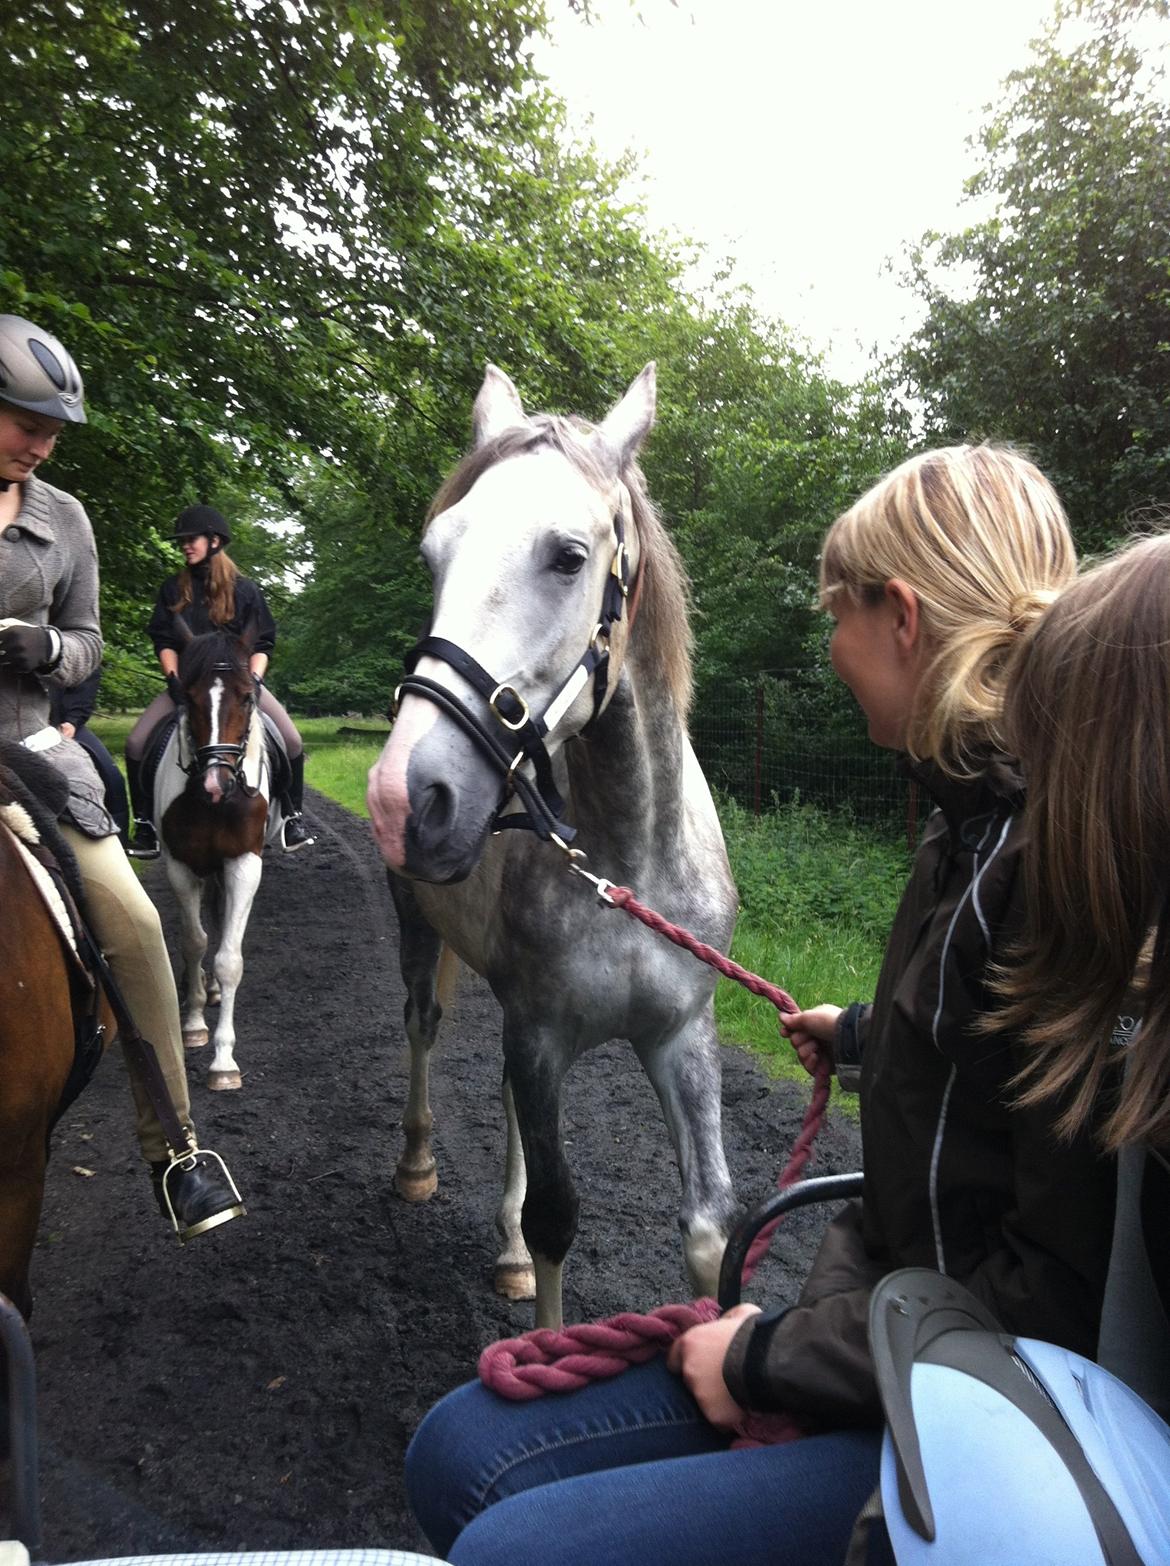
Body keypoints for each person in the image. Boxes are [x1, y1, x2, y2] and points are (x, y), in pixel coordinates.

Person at [402, 445, 1120, 1566]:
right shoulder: (961, 829)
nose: (829, 649)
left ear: (907, 621)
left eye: (838, 616)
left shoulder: (1050, 870)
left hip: (987, 1418)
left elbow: (1051, 1298)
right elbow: (1003, 1067)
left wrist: (764, 1361)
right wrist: (872, 1040)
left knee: (508, 1545)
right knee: (453, 1448)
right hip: (895, 1337)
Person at [0, 312, 244, 1240]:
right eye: (26, 419)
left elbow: (91, 640)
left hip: (26, 754)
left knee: (137, 921)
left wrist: (48, 646)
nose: (43, 440)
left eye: (52, 428)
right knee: (150, 740)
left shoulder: (65, 519)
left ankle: (177, 1147)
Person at [124, 503, 314, 856]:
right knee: (136, 744)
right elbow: (164, 640)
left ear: (214, 541)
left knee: (291, 740)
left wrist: (254, 681)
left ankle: (292, 816)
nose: (184, 545)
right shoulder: (172, 589)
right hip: (189, 685)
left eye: (190, 539)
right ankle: (146, 826)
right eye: (182, 540)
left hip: (239, 685)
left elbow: (263, 643)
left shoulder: (246, 591)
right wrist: (172, 678)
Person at [49, 663, 129, 846]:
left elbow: (87, 673)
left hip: (63, 723)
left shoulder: (69, 637)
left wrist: (72, 720)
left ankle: (121, 844)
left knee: (113, 778)